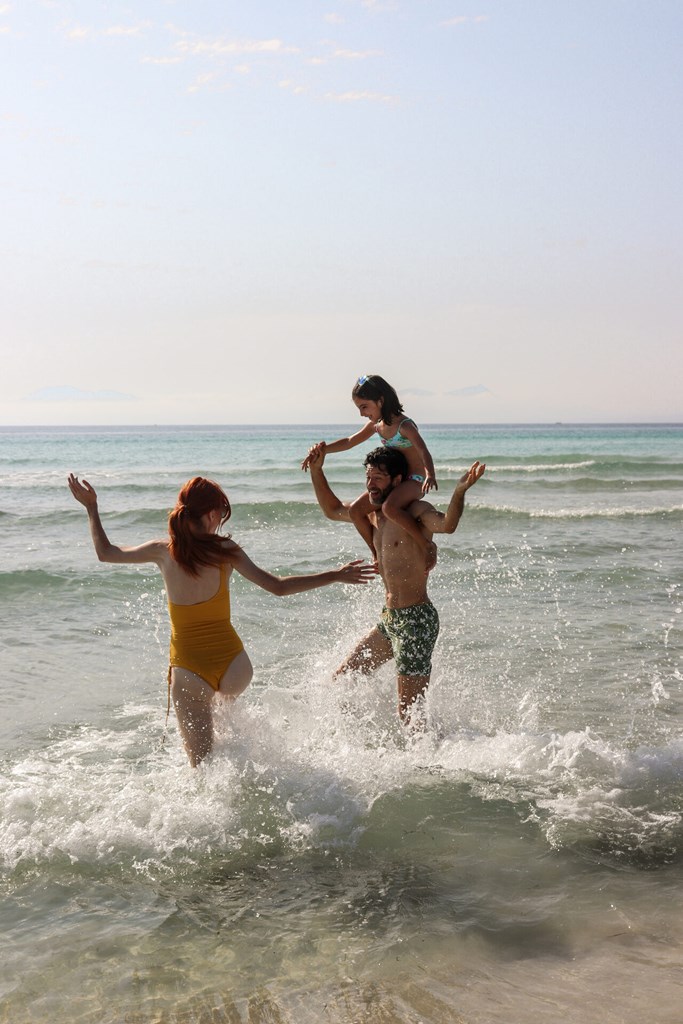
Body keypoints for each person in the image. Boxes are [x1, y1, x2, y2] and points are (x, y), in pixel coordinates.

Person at [67, 473, 377, 767]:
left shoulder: (163, 551)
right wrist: (336, 575)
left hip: (189, 670)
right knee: (227, 730)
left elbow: (106, 553)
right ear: (214, 515)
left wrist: (92, 508)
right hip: (235, 666)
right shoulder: (227, 551)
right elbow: (279, 587)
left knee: (204, 770)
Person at [305, 445, 485, 724]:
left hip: (416, 621)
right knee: (343, 679)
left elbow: (447, 525)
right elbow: (332, 510)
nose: (370, 484)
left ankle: (431, 765)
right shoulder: (372, 516)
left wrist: (459, 491)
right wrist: (317, 470)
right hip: (390, 621)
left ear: (397, 481)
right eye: (368, 477)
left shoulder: (416, 511)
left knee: (410, 715)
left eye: (378, 478)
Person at [302, 374, 438, 563]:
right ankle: (376, 552)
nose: (362, 413)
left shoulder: (404, 426)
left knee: (389, 508)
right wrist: (322, 451)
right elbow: (349, 442)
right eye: (359, 408)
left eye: (364, 407)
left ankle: (425, 545)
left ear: (380, 400)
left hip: (413, 480)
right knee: (355, 511)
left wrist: (430, 474)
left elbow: (423, 450)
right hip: (393, 482)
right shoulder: (376, 425)